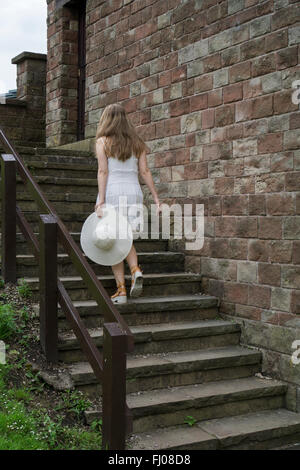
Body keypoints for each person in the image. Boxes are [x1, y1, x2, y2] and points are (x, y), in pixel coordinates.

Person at [94, 103, 161, 304]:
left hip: (113, 192)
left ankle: (121, 290)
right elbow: (145, 172)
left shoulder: (102, 142)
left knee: (113, 240)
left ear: (106, 119)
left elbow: (103, 171)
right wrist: (156, 198)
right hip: (133, 193)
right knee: (126, 237)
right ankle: (135, 269)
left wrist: (102, 200)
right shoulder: (137, 143)